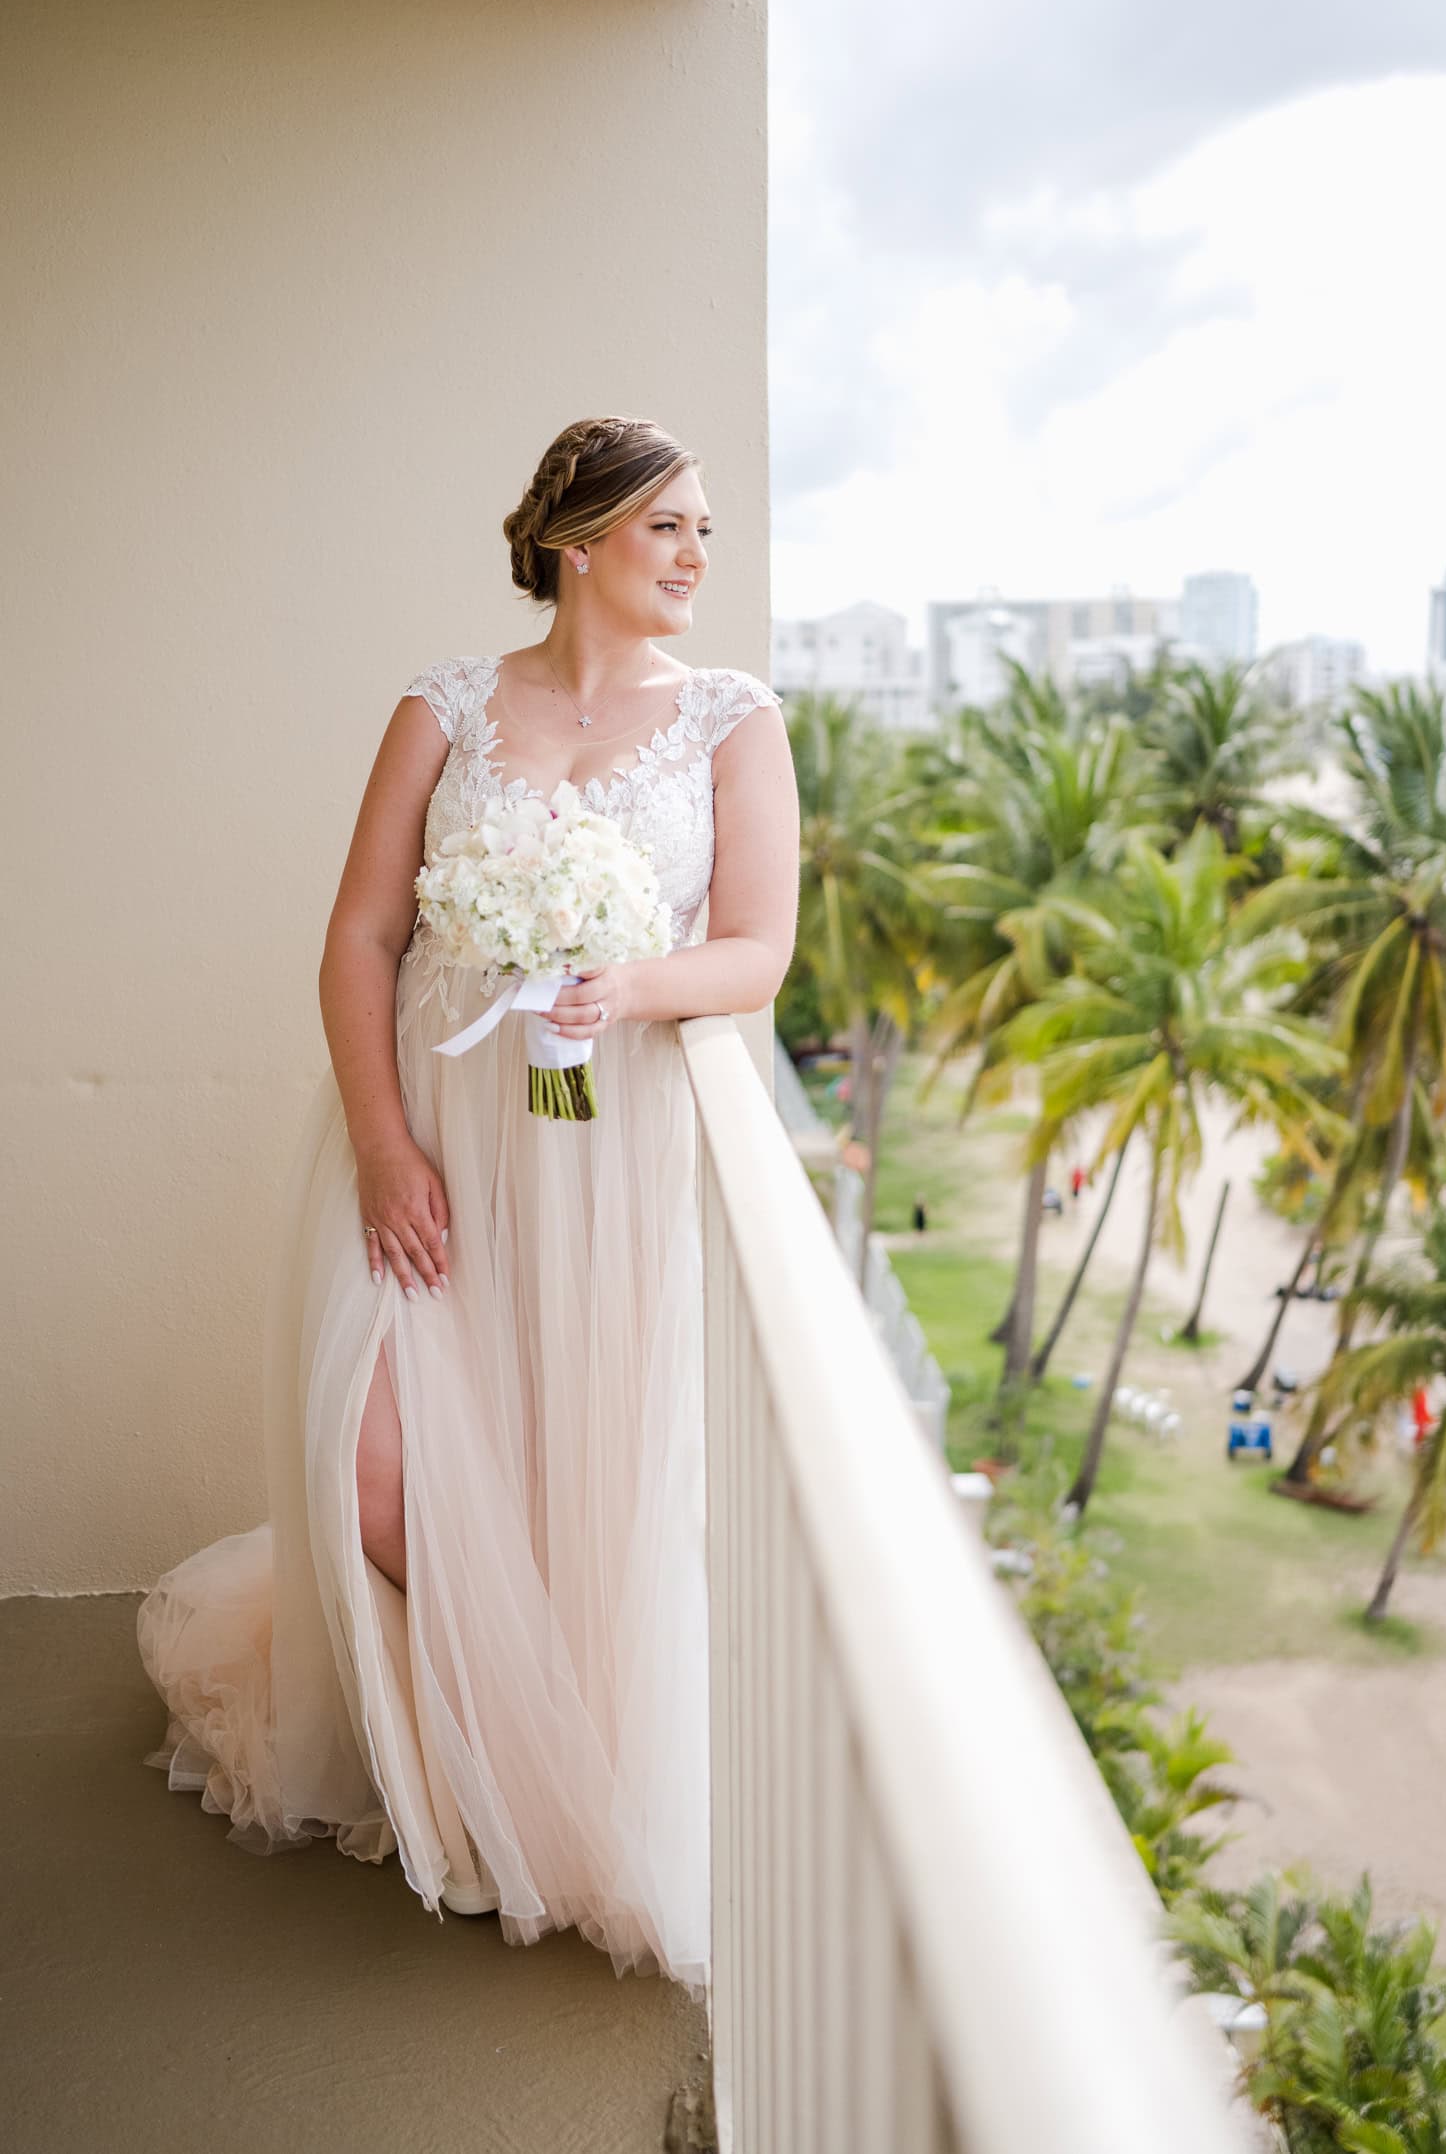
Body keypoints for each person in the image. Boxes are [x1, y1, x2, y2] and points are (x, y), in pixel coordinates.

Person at [135, 416, 800, 2003]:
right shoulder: (442, 708)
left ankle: (544, 1781)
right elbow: (359, 940)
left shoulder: (732, 720)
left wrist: (622, 981)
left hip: (600, 1146)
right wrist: (380, 1144)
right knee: (370, 1459)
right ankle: (485, 1737)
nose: (703, 556)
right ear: (578, 542)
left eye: (708, 529)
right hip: (427, 1135)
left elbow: (759, 950)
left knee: (572, 1468)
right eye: (672, 529)